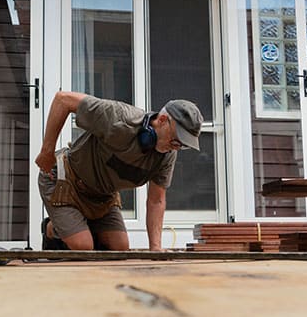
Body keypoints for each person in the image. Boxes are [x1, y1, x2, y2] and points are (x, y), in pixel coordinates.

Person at [35, 91, 203, 252]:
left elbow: (156, 201)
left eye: (182, 145)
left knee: (119, 247)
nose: (176, 148)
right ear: (162, 120)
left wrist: (155, 248)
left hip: (102, 196)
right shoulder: (120, 118)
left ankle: (79, 228)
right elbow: (63, 99)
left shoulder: (167, 155)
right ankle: (51, 229)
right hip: (66, 181)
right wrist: (46, 152)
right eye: (175, 140)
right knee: (83, 246)